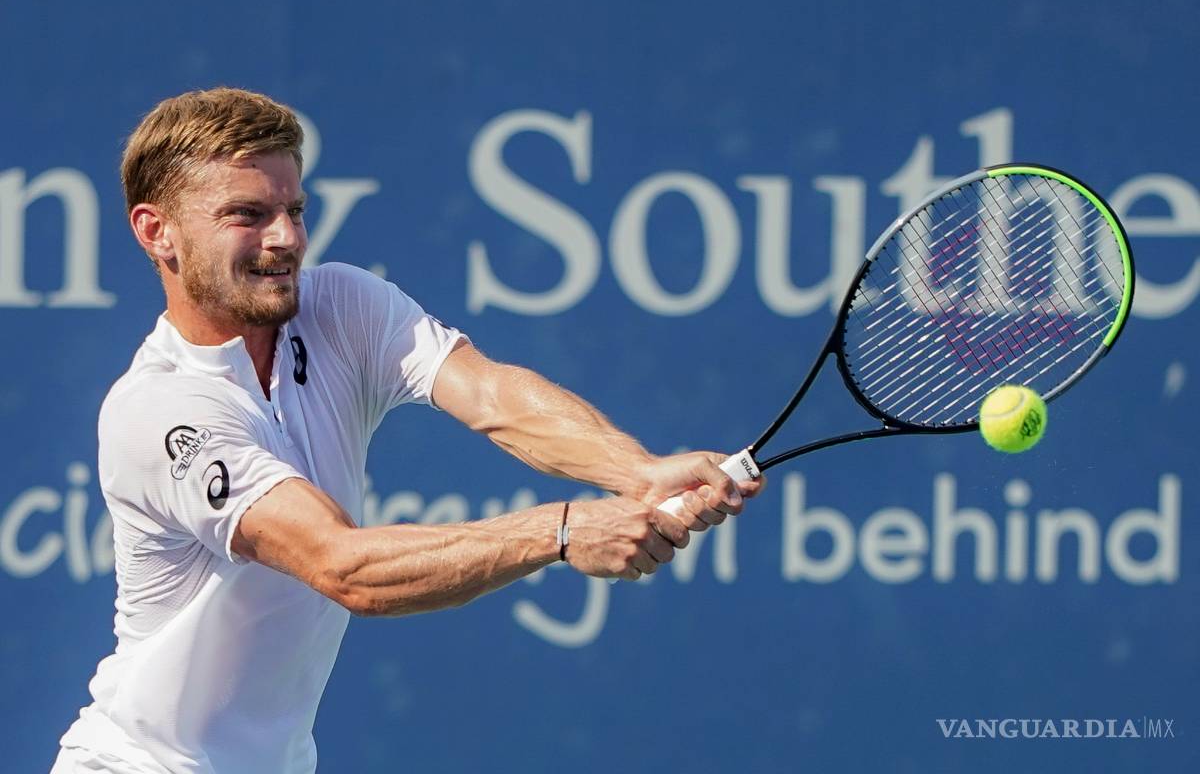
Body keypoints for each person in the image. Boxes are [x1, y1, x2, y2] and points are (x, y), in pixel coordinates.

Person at [52, 87, 762, 773]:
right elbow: (342, 565)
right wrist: (566, 531)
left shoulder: (341, 303)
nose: (286, 238)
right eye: (248, 214)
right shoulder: (160, 410)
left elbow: (491, 394)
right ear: (157, 232)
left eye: (294, 209)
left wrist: (634, 472)